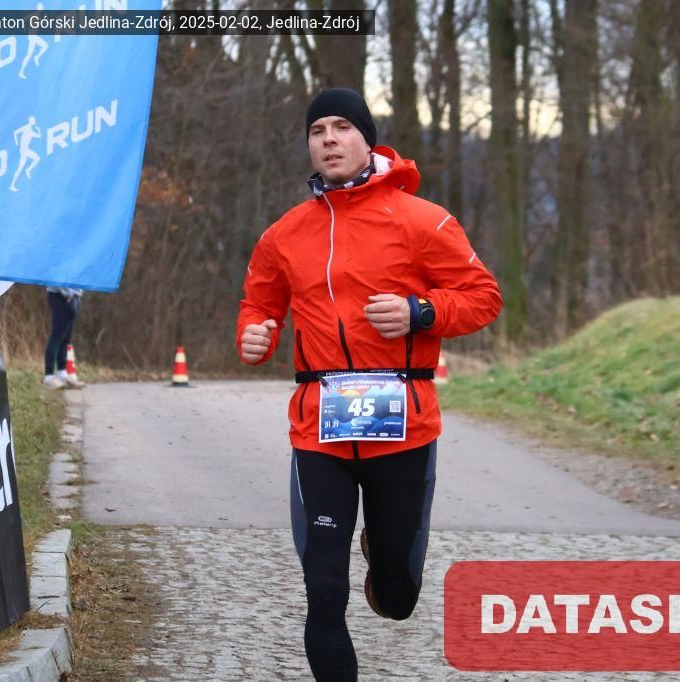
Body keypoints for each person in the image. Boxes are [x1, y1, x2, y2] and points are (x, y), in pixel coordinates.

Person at [236, 88, 502, 680]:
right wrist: (253, 334)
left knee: (399, 595)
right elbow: (258, 304)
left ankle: (384, 559)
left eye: (341, 127)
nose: (328, 139)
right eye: (317, 131)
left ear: (367, 139)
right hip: (320, 429)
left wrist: (420, 312)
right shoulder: (285, 234)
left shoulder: (422, 220)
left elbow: (484, 297)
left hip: (404, 428)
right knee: (323, 588)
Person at [43, 286, 85, 389]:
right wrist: (68, 294)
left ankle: (62, 374)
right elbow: (56, 279)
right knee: (56, 338)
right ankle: (49, 377)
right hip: (62, 296)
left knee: (66, 339)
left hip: (72, 296)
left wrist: (77, 294)